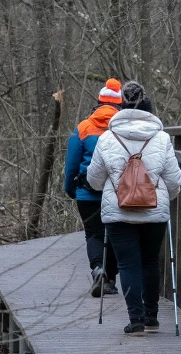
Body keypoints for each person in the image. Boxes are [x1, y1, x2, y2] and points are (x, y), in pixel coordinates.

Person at [87, 81, 181, 335]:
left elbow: (94, 179)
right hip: (154, 212)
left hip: (118, 212)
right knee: (150, 261)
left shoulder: (107, 138)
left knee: (128, 264)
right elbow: (174, 180)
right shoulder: (161, 138)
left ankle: (136, 319)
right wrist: (163, 197)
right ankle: (152, 316)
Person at [64, 78, 122, 297]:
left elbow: (71, 164)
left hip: (86, 192)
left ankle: (98, 270)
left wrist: (70, 188)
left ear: (98, 102)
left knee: (93, 234)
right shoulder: (122, 128)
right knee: (115, 233)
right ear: (120, 105)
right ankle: (110, 281)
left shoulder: (83, 127)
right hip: (116, 191)